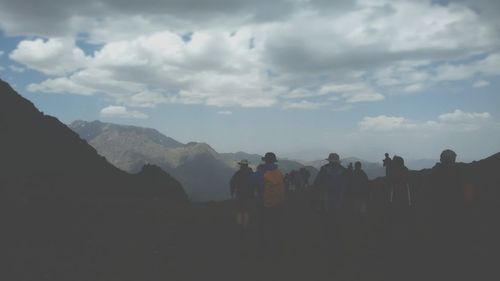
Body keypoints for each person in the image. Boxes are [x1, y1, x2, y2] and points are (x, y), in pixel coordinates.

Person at [253, 152, 285, 258]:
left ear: (265, 160)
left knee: (263, 226)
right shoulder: (279, 172)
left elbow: (251, 181)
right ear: (274, 161)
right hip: (278, 203)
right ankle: (277, 248)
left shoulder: (261, 172)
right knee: (275, 226)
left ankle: (264, 249)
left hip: (264, 203)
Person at [229, 159, 255, 229]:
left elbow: (232, 183)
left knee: (239, 211)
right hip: (249, 195)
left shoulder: (238, 173)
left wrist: (232, 192)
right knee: (246, 211)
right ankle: (245, 227)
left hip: (239, 195)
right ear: (247, 165)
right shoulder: (251, 173)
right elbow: (255, 183)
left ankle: (239, 227)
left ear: (241, 165)